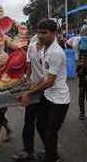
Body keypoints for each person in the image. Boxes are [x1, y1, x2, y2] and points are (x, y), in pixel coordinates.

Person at [18, 19, 70, 162]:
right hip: (47, 96)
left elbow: (49, 81)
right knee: (40, 125)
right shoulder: (43, 50)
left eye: (44, 33)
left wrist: (29, 93)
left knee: (50, 132)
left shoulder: (56, 52)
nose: (40, 36)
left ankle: (52, 157)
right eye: (39, 32)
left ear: (54, 33)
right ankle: (50, 154)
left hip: (59, 99)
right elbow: (43, 78)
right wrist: (28, 88)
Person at [13, 34, 44, 161]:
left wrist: (29, 91)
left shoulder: (51, 50)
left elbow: (47, 78)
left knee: (43, 123)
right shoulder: (31, 47)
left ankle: (50, 150)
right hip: (33, 88)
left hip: (47, 90)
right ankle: (28, 150)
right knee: (28, 121)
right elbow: (29, 68)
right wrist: (25, 83)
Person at [77, 53, 87, 121]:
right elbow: (78, 74)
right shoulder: (79, 66)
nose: (83, 60)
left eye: (85, 59)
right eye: (82, 59)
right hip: (82, 85)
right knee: (81, 100)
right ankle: (81, 113)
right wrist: (82, 68)